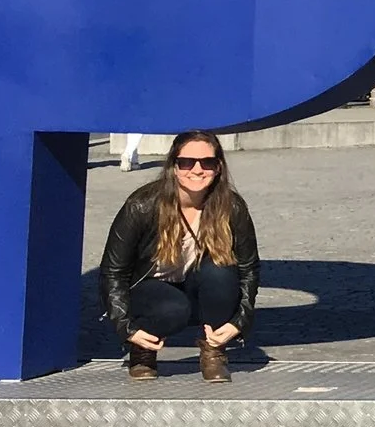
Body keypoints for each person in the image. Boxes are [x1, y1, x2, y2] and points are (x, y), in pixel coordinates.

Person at [100, 132, 260, 382]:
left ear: (218, 167)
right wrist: (126, 327)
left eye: (207, 162)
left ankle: (214, 350)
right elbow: (113, 272)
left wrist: (240, 321)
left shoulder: (232, 206)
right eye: (187, 162)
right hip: (148, 290)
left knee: (221, 272)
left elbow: (249, 269)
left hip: (197, 285)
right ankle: (143, 349)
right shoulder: (142, 205)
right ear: (173, 166)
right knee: (174, 308)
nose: (197, 170)